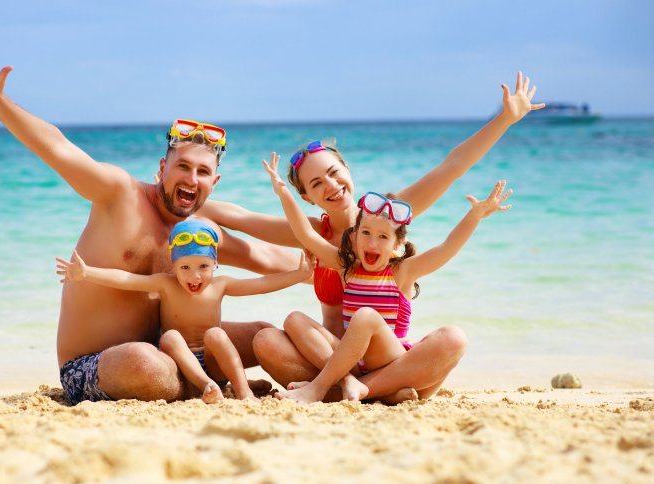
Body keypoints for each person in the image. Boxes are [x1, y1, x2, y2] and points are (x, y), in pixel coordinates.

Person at [0, 37, 298, 403]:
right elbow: (59, 147)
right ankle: (210, 385)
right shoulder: (119, 194)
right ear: (161, 169)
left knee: (264, 335)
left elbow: (269, 258)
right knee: (143, 363)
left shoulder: (198, 232)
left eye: (202, 171)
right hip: (95, 364)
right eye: (182, 166)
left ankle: (269, 386)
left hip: (172, 348)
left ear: (213, 183)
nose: (191, 179)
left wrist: (344, 252)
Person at [199, 73, 543, 399]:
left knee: (451, 339)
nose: (331, 185)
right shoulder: (316, 234)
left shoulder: (387, 216)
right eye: (317, 183)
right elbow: (240, 217)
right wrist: (172, 198)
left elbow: (451, 168)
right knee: (267, 341)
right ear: (307, 196)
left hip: (381, 352)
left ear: (347, 169)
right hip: (330, 355)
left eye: (334, 173)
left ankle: (363, 388)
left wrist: (504, 120)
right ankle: (378, 389)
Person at [262, 153, 511, 402]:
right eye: (366, 233)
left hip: (391, 360)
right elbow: (306, 234)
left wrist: (474, 216)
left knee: (451, 337)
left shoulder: (402, 272)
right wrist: (283, 193)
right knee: (294, 319)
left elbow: (447, 248)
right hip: (350, 361)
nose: (373, 242)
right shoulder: (345, 267)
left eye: (383, 237)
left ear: (397, 243)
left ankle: (323, 388)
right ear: (354, 235)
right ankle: (361, 386)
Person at [56, 219, 313, 404]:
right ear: (174, 265)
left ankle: (242, 388)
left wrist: (298, 275)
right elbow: (126, 279)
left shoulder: (221, 284)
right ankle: (207, 386)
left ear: (215, 262)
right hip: (179, 364)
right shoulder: (165, 284)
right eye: (185, 268)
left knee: (217, 335)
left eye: (203, 266)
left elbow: (261, 284)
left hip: (213, 361)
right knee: (170, 338)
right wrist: (87, 273)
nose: (195, 276)